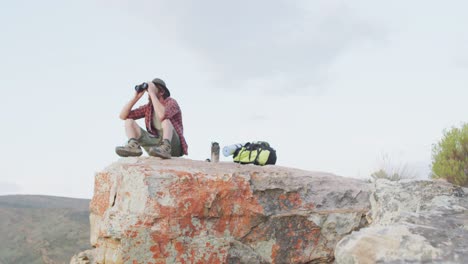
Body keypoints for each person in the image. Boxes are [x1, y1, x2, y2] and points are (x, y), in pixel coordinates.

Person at [115, 78, 188, 159]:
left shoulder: (171, 102)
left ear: (161, 92)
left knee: (165, 120)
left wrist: (152, 93)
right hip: (155, 147)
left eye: (151, 90)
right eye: (148, 91)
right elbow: (123, 116)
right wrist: (136, 97)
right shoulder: (149, 107)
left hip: (173, 146)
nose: (149, 93)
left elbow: (162, 115)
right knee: (129, 121)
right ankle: (133, 147)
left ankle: (165, 147)